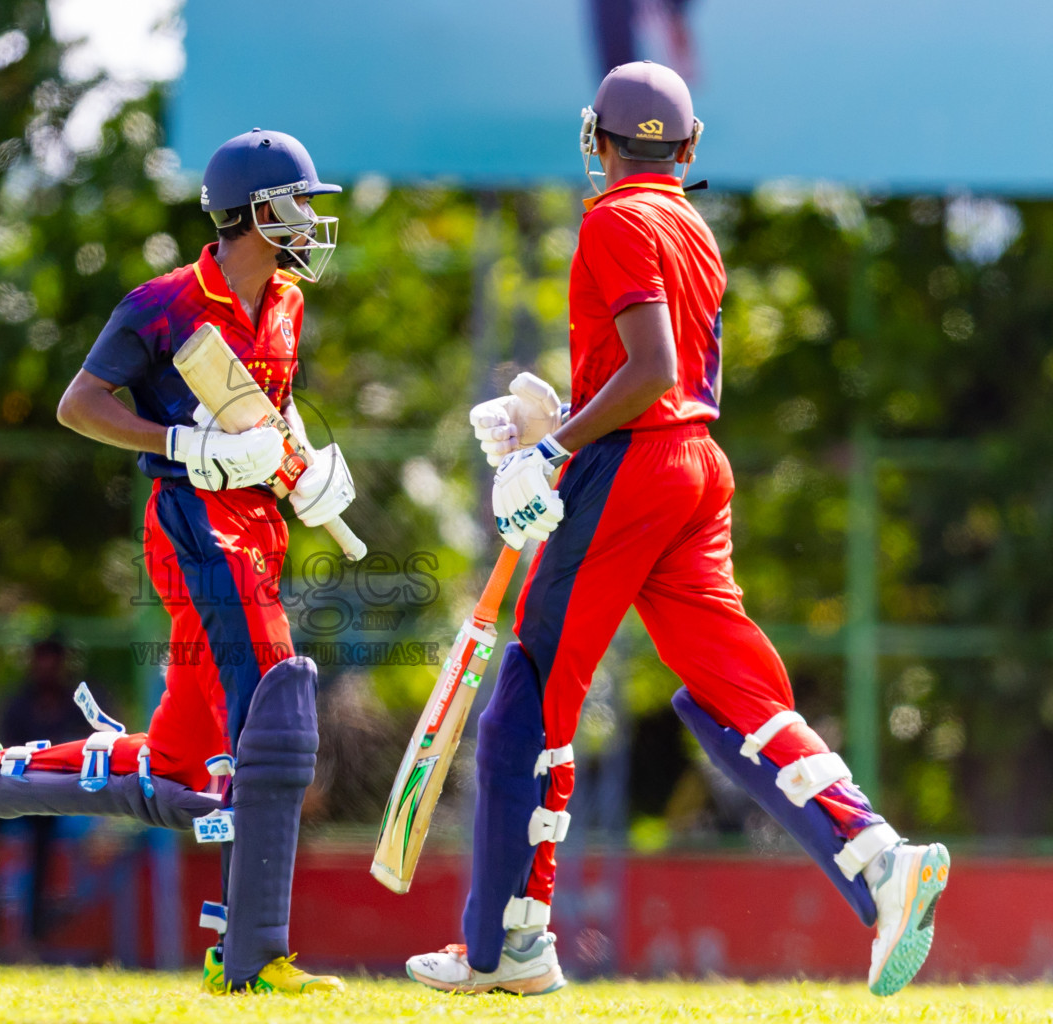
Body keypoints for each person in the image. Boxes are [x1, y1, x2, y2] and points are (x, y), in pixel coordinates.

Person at [406, 61, 948, 998]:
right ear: (688, 147)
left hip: (637, 468)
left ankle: (504, 944)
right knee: (731, 694)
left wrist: (555, 452)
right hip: (696, 469)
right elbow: (668, 374)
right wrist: (556, 424)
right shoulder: (692, 225)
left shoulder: (612, 218)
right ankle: (878, 855)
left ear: (598, 141)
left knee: (530, 695)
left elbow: (651, 369)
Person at [0, 128, 356, 993]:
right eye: (296, 204)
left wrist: (300, 468)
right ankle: (254, 955)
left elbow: (265, 416)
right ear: (252, 212)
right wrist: (178, 442)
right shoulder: (163, 305)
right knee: (272, 710)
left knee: (175, 769)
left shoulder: (285, 304)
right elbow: (78, 404)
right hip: (192, 521)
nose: (309, 221)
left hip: (256, 524)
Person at [0, 637, 87, 949]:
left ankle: (35, 935)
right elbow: (5, 751)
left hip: (70, 796)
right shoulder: (18, 704)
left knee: (44, 838)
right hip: (23, 792)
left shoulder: (78, 703)